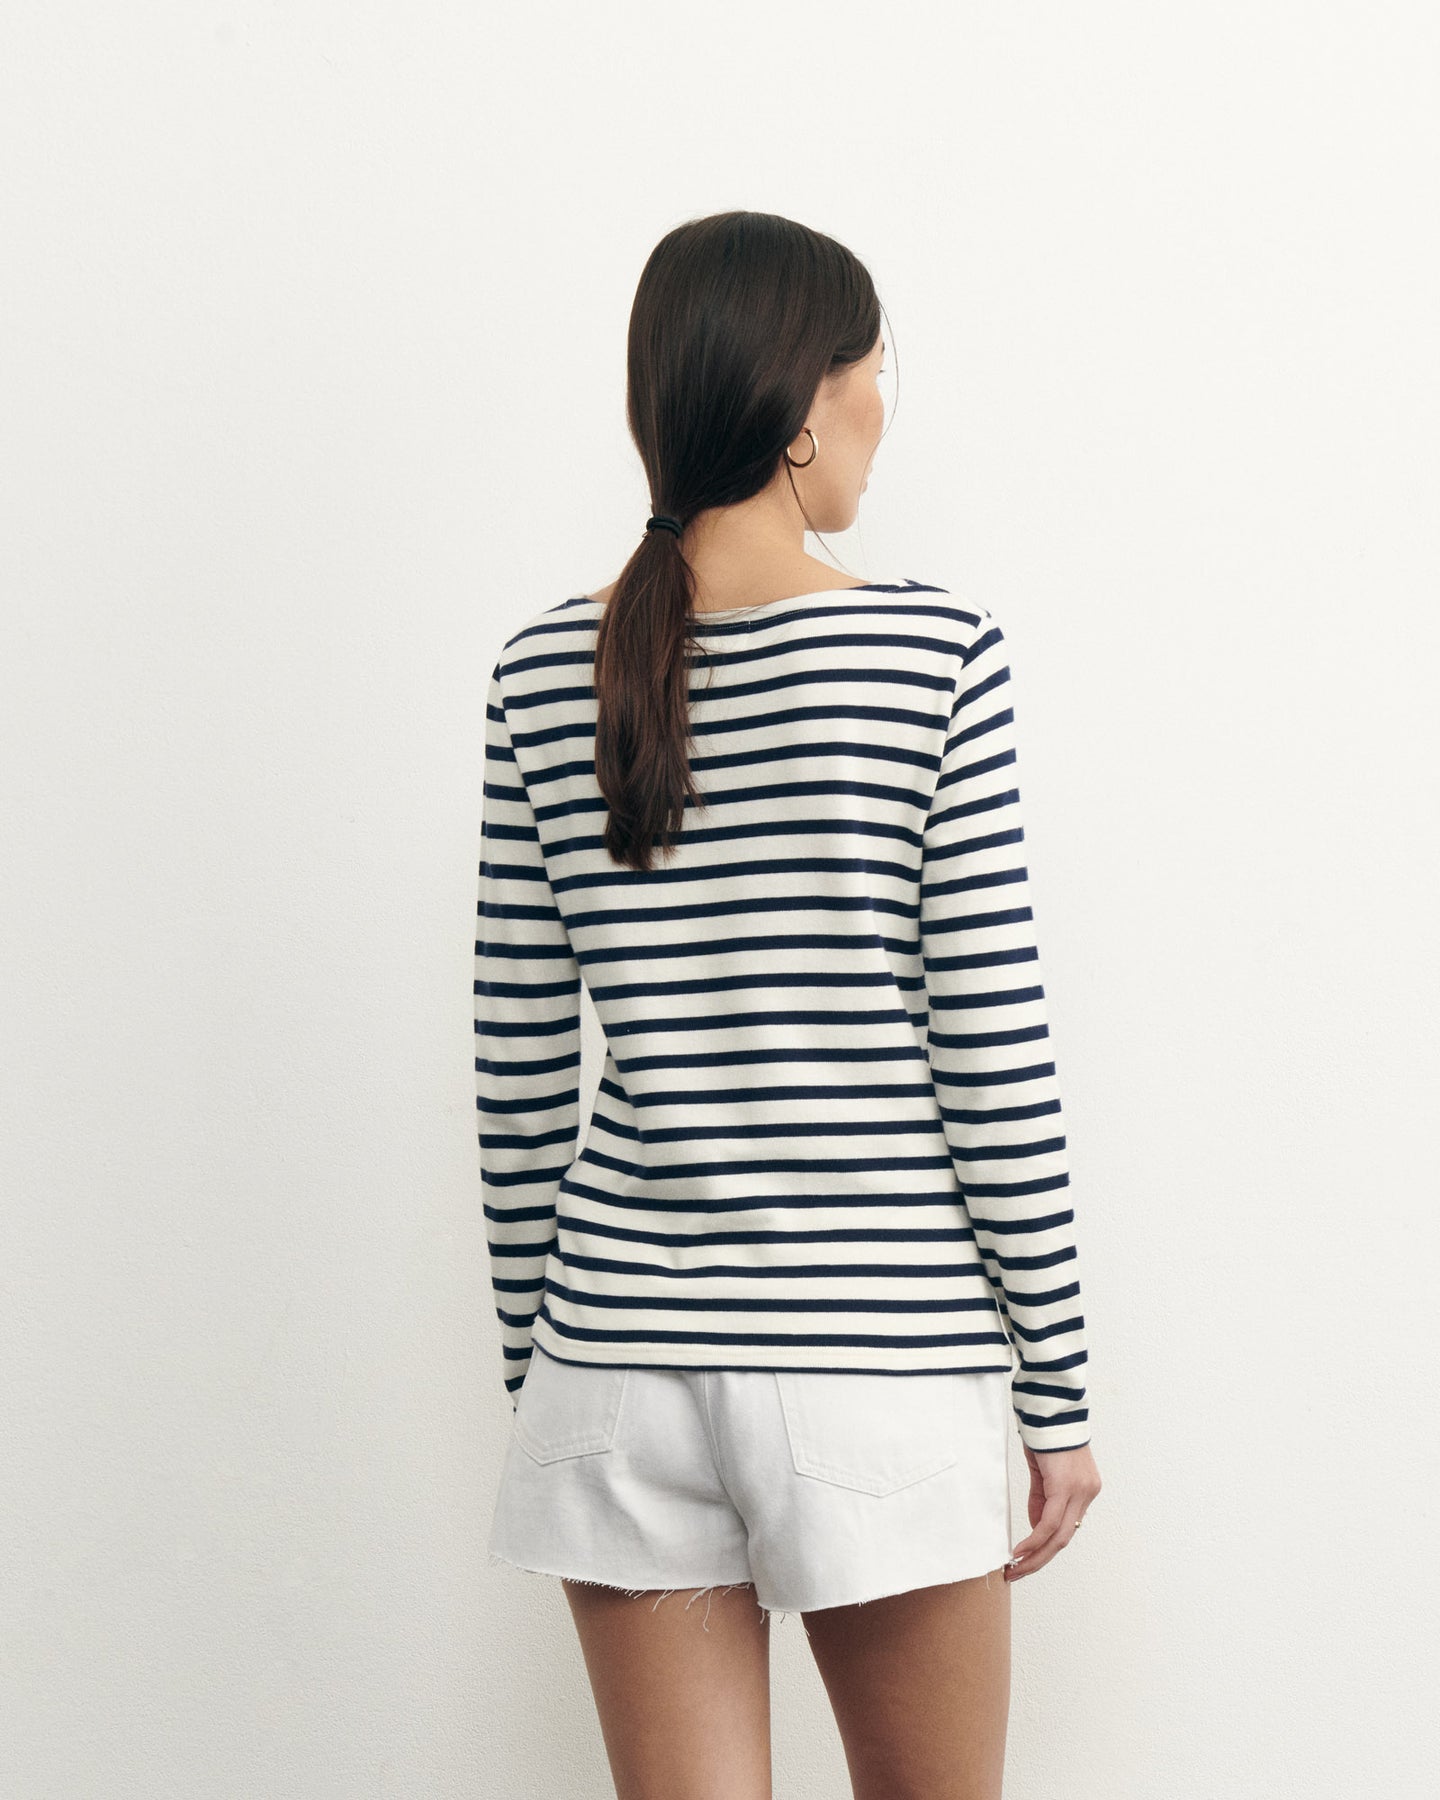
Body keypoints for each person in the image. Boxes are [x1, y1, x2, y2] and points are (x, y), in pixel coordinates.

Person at [475, 209, 1102, 1800]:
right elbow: (990, 1055)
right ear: (805, 405)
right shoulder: (928, 653)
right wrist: (1057, 1389)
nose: (887, 408)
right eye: (877, 371)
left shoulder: (543, 670)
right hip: (874, 1360)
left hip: (615, 1363)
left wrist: (542, 1375)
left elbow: (519, 1080)